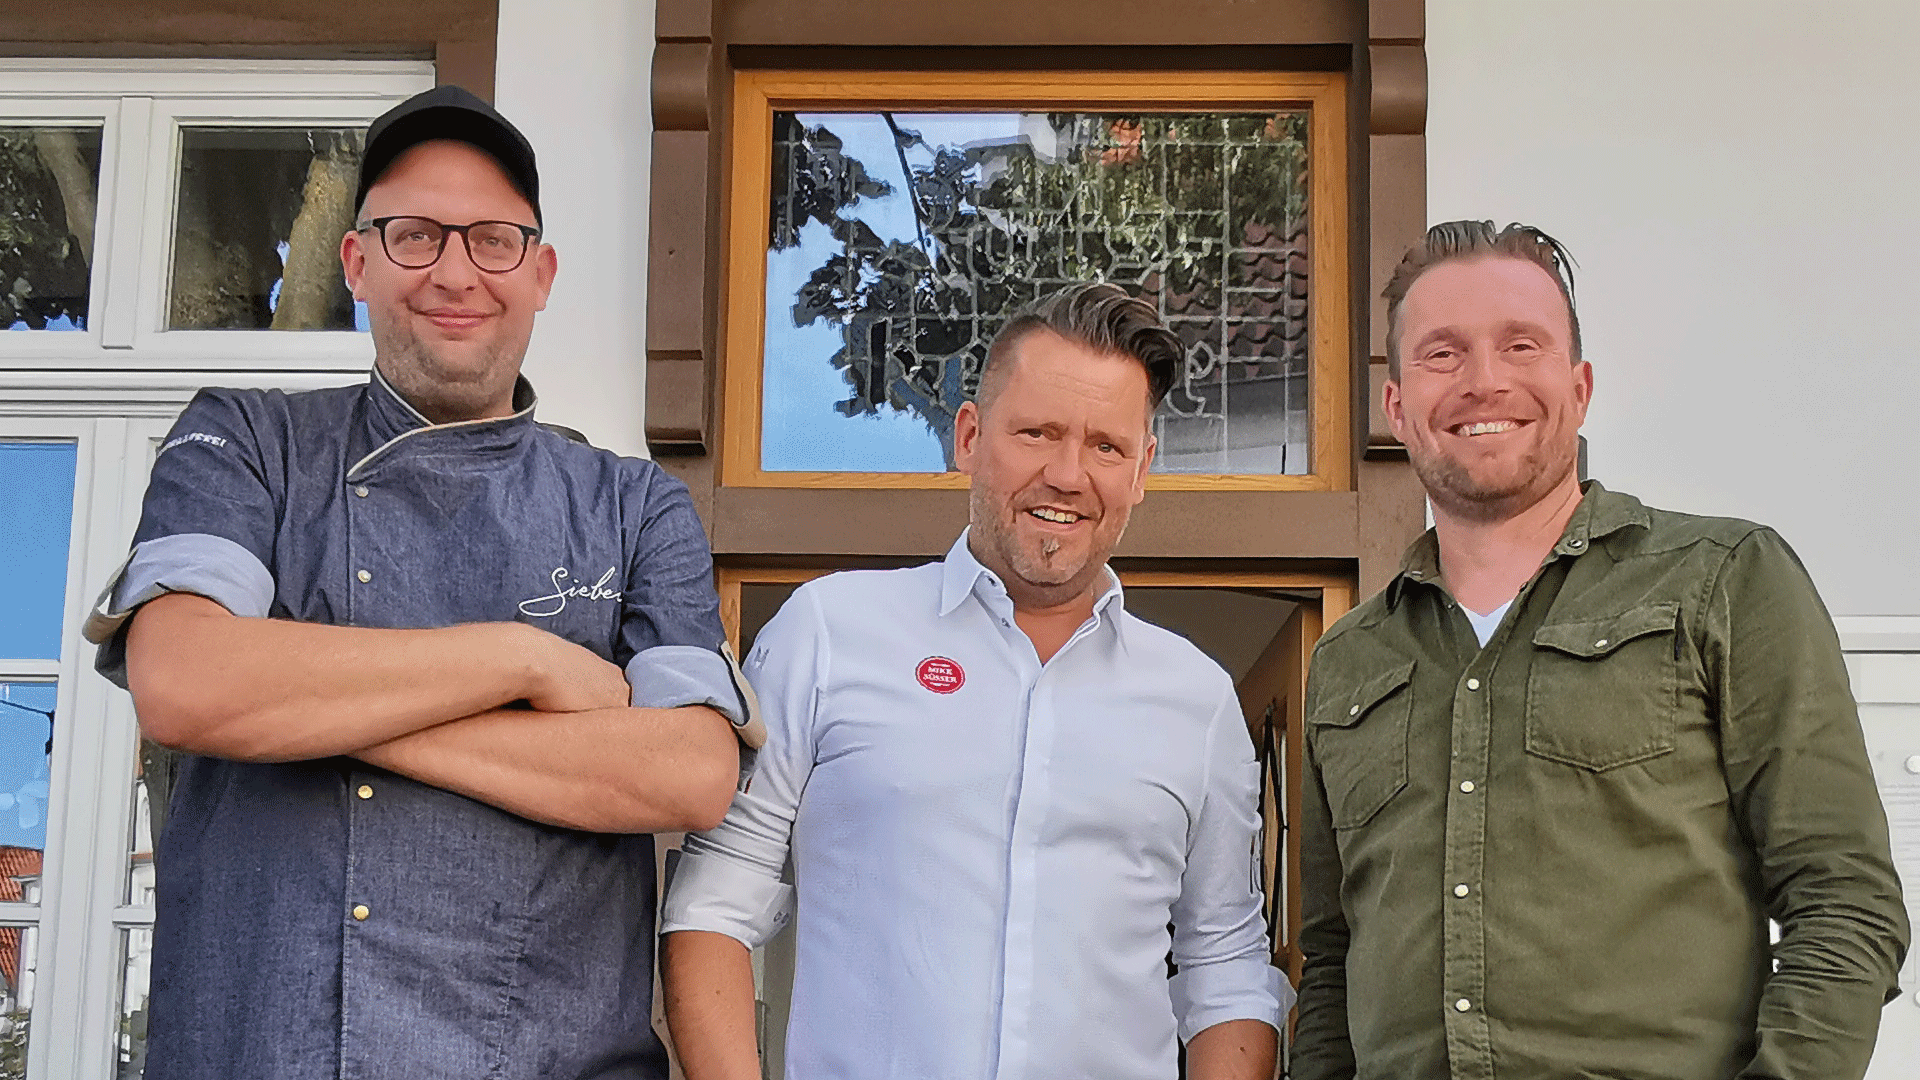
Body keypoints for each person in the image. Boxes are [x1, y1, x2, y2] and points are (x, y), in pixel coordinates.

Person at [83, 85, 755, 1080]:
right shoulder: (244, 442)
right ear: (356, 263)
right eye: (413, 236)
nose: (454, 272)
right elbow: (185, 683)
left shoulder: (634, 504)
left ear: (541, 273)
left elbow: (690, 771)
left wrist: (310, 707)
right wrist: (523, 660)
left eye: (491, 239)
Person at [1292, 220, 1909, 1080]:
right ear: (1397, 408)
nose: (1484, 380)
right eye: (1441, 354)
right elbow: (1329, 964)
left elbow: (1846, 901)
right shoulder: (1347, 662)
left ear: (1579, 388)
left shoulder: (1725, 580)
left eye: (1521, 345)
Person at [659, 283, 1289, 1080]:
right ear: (968, 436)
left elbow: (1225, 966)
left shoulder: (1197, 701)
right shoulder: (828, 633)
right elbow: (713, 904)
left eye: (1106, 446)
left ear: (1142, 471)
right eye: (1037, 433)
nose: (1068, 474)